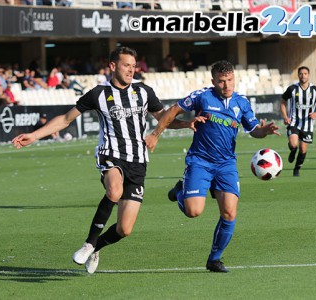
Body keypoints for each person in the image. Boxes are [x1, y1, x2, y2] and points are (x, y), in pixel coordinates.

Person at [12, 46, 193, 274]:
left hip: (138, 161)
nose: (131, 70)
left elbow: (164, 119)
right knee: (114, 191)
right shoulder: (98, 93)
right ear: (112, 66)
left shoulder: (145, 91)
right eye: (126, 65)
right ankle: (89, 243)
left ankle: (96, 248)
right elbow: (66, 119)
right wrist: (35, 135)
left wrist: (188, 123)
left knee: (125, 229)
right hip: (111, 154)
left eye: (133, 66)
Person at [145, 60, 280, 272]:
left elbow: (253, 129)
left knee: (229, 213)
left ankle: (214, 259)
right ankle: (180, 191)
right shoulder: (202, 96)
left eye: (229, 80)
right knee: (193, 211)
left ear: (234, 78)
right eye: (221, 81)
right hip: (200, 160)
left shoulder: (242, 103)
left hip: (226, 164)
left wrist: (265, 131)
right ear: (213, 81)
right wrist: (155, 134)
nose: (226, 85)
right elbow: (172, 111)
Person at [280, 66, 316, 177]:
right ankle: (292, 150)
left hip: (308, 124)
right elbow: (282, 101)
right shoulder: (292, 89)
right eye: (301, 73)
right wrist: (286, 116)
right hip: (294, 122)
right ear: (298, 75)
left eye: (305, 73)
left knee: (303, 149)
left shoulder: (314, 90)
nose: (303, 76)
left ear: (308, 75)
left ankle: (297, 168)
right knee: (293, 144)